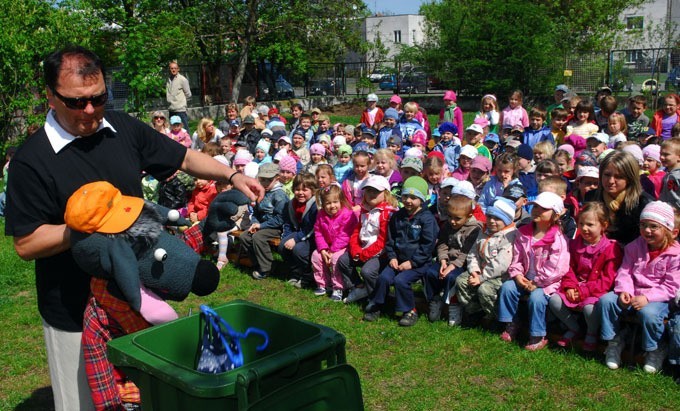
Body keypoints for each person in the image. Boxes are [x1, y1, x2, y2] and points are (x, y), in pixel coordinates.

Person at [4, 45, 262, 411]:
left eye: (99, 98)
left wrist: (232, 174)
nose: (90, 111)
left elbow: (184, 156)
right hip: (73, 312)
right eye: (77, 103)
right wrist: (90, 227)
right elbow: (26, 243)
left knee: (147, 399)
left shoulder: (120, 128)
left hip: (141, 299)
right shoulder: (32, 160)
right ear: (50, 95)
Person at [599, 201, 680, 373]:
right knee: (607, 301)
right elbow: (625, 271)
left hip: (659, 299)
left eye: (653, 226)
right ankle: (614, 341)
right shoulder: (635, 247)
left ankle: (655, 348)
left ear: (668, 230)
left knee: (649, 313)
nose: (647, 230)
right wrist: (624, 290)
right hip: (633, 292)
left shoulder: (675, 255)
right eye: (643, 225)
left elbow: (671, 286)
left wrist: (648, 298)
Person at [498, 192, 570, 351]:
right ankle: (512, 323)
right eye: (535, 207)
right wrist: (517, 275)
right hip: (525, 278)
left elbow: (557, 267)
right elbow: (516, 258)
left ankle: (538, 335)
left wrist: (536, 282)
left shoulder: (557, 239)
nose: (537, 210)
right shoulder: (523, 233)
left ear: (555, 215)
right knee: (508, 288)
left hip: (547, 282)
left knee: (536, 298)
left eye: (543, 209)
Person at [362, 176, 438, 326]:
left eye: (414, 197)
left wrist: (412, 262)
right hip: (397, 259)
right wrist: (391, 257)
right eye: (405, 196)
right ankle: (378, 305)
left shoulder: (427, 219)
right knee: (383, 278)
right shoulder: (398, 216)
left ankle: (409, 310)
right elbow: (390, 240)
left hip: (418, 263)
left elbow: (427, 245)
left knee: (401, 280)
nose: (408, 200)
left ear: (422, 199)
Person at [549, 202, 623, 351]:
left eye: (590, 225)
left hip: (594, 291)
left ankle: (591, 332)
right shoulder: (574, 244)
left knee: (590, 309)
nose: (584, 228)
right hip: (574, 287)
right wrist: (570, 286)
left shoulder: (610, 249)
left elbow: (607, 280)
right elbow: (567, 267)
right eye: (581, 223)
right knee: (554, 301)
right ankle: (574, 327)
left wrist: (584, 291)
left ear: (604, 225)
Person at [425, 185, 482, 325]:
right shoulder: (447, 225)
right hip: (447, 260)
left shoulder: (475, 229)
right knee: (430, 273)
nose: (452, 221)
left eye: (457, 219)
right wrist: (443, 260)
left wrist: (452, 266)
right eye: (450, 217)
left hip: (462, 263)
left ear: (468, 216)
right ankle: (435, 300)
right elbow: (443, 244)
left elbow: (467, 252)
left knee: (452, 277)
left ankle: (454, 304)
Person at [456, 197, 518, 323]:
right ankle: (474, 311)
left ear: (506, 220)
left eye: (497, 218)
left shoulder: (509, 237)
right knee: (461, 281)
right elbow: (473, 252)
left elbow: (501, 264)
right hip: (481, 270)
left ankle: (494, 317)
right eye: (489, 217)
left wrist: (482, 277)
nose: (491, 221)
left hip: (501, 275)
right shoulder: (484, 231)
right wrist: (474, 270)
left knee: (485, 289)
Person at [339, 175, 398, 304]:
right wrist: (355, 249)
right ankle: (359, 287)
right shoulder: (364, 209)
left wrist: (364, 255)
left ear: (386, 193)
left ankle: (376, 297)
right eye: (368, 190)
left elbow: (383, 240)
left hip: (380, 254)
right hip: (363, 250)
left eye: (376, 191)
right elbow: (356, 231)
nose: (371, 194)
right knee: (343, 261)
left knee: (368, 271)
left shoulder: (387, 213)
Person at [585, 151, 653, 245]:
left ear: (630, 178)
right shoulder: (591, 197)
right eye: (607, 175)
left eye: (618, 176)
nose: (611, 181)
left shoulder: (644, 203)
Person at [240, 163, 289, 280]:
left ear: (277, 178)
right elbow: (256, 211)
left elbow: (280, 219)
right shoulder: (262, 192)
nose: (265, 183)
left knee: (258, 237)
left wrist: (261, 226)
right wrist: (254, 223)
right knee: (244, 237)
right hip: (261, 225)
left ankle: (267, 268)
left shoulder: (280, 195)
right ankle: (257, 263)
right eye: (262, 180)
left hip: (277, 228)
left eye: (269, 180)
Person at [312, 185, 358, 301]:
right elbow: (318, 232)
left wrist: (332, 251)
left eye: (335, 202)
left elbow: (345, 235)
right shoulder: (321, 214)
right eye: (328, 203)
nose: (332, 206)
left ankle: (338, 287)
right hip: (327, 246)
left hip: (344, 247)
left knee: (336, 259)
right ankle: (323, 284)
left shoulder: (347, 214)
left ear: (341, 201)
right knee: (316, 256)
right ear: (323, 204)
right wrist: (323, 249)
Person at [279, 173, 318, 288]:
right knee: (282, 246)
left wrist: (295, 239)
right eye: (297, 189)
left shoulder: (315, 205)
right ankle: (296, 272)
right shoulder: (291, 204)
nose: (300, 193)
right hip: (299, 233)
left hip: (312, 237)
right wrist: (286, 236)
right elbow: (287, 222)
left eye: (304, 190)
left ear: (313, 191)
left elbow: (312, 227)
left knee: (299, 250)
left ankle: (308, 274)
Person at [166, 61, 191, 132]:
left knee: (184, 131)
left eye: (175, 68)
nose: (173, 70)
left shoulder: (183, 80)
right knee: (173, 131)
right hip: (171, 109)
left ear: (178, 69)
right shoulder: (168, 79)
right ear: (169, 69)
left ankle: (188, 143)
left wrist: (181, 103)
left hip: (180, 110)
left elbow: (188, 94)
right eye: (171, 68)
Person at [660, 137, 680, 208]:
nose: (661, 157)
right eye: (661, 154)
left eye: (666, 154)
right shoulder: (667, 175)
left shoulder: (677, 176)